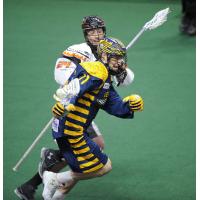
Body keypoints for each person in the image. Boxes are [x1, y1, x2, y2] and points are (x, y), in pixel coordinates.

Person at [14, 16, 134, 200]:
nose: (97, 35)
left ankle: (37, 183)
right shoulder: (77, 51)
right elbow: (60, 73)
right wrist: (81, 85)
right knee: (93, 147)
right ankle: (46, 178)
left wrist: (119, 67)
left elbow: (125, 80)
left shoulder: (109, 51)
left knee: (87, 149)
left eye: (100, 31)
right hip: (73, 106)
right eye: (92, 32)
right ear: (85, 34)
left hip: (89, 107)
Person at [42, 37, 144, 200]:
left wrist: (129, 106)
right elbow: (74, 88)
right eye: (116, 58)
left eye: (121, 58)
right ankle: (53, 178)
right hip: (70, 130)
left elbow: (112, 103)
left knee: (82, 170)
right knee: (104, 167)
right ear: (104, 56)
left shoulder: (105, 79)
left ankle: (54, 189)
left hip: (71, 131)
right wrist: (63, 105)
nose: (120, 63)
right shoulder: (96, 71)